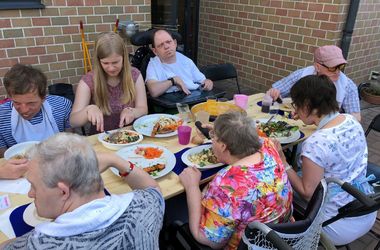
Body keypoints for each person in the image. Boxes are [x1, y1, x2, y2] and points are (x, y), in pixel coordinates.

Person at [0, 132, 164, 249]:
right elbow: (153, 190)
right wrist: (115, 160)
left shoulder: (37, 244)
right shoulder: (144, 208)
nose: (30, 194)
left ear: (63, 192)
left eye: (34, 186)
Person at [275, 75, 376, 246]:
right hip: (366, 208)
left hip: (336, 224)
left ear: (307, 106)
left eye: (296, 105)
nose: (296, 110)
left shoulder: (315, 144)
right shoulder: (351, 120)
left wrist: (283, 161)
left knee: (278, 190)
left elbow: (307, 193)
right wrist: (310, 118)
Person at [179, 112, 293, 249]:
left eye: (213, 138)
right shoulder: (269, 146)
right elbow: (249, 134)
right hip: (280, 236)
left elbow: (208, 241)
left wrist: (192, 187)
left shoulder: (226, 185)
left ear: (223, 146)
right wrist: (225, 132)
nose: (212, 141)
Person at [0, 64, 72, 179]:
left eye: (31, 103)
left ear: (43, 97)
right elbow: (3, 159)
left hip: (59, 170)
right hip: (20, 177)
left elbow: (70, 141)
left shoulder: (62, 106)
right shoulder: (1, 116)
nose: (24, 110)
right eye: (17, 103)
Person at [70, 32, 148, 134]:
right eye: (105, 63)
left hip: (131, 136)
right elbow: (73, 121)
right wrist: (88, 110)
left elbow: (143, 109)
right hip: (100, 138)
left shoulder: (135, 75)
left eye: (115, 62)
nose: (111, 68)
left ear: (124, 57)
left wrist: (132, 111)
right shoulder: (88, 81)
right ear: (98, 61)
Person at [267, 45, 361, 121]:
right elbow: (276, 89)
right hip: (300, 124)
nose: (337, 72)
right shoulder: (302, 75)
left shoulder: (348, 86)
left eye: (340, 67)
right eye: (332, 68)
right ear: (317, 66)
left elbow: (355, 118)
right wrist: (274, 92)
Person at [145, 29, 214, 97]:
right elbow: (153, 91)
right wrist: (173, 80)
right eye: (161, 45)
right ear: (155, 51)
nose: (166, 47)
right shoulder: (153, 64)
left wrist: (208, 83)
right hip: (168, 104)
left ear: (175, 43)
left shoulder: (186, 61)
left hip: (191, 98)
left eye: (168, 42)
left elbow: (203, 80)